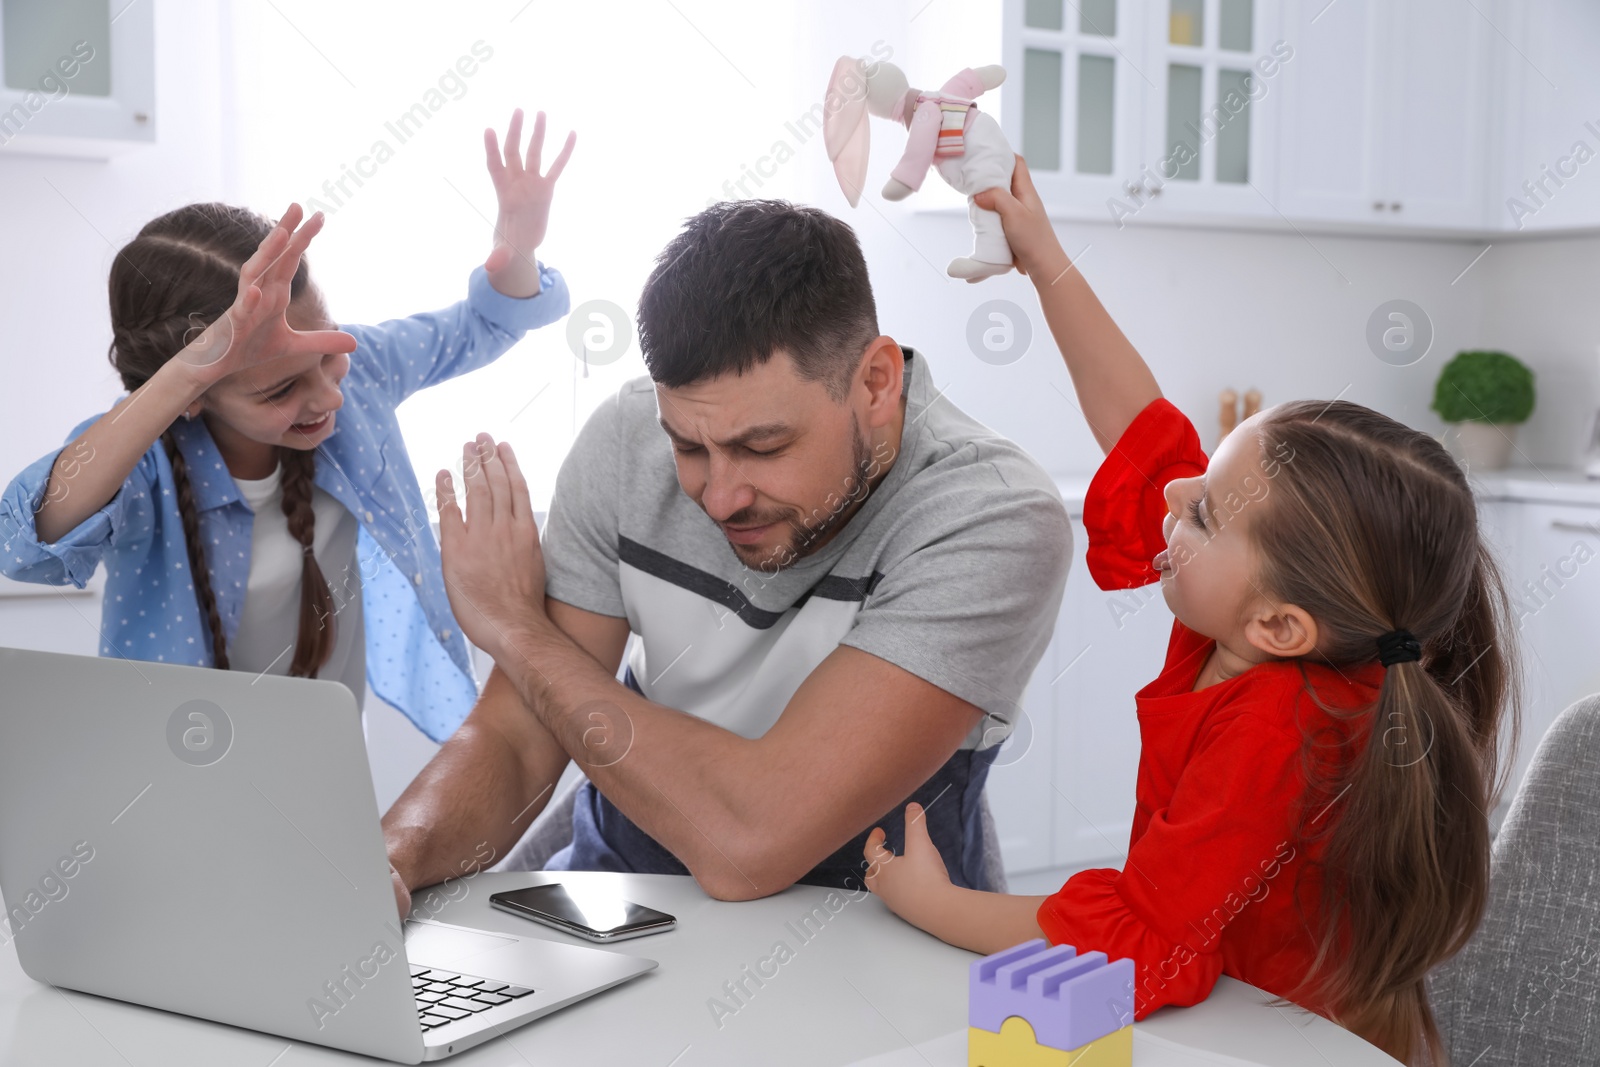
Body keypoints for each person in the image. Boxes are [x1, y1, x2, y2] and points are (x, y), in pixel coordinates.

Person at [860, 157, 1518, 1066]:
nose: (1172, 486)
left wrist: (935, 901)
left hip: (1282, 1045)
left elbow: (1146, 942)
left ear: (1281, 626)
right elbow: (1140, 426)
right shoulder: (1255, 625)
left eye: (1204, 507)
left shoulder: (1274, 726)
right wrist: (1041, 254)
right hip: (1239, 1024)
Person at [382, 200, 1073, 910]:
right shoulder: (626, 443)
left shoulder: (991, 514)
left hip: (874, 942)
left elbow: (749, 842)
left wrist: (515, 629)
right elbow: (518, 737)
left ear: (874, 382)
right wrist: (388, 859)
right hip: (617, 901)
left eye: (762, 447)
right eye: (688, 446)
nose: (718, 496)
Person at [0, 110, 573, 742]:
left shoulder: (367, 369)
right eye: (280, 388)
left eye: (329, 355)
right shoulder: (146, 456)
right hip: (166, 773)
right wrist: (181, 377)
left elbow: (487, 325)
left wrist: (517, 245)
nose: (330, 394)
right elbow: (23, 547)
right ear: (191, 395)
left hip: (321, 761)